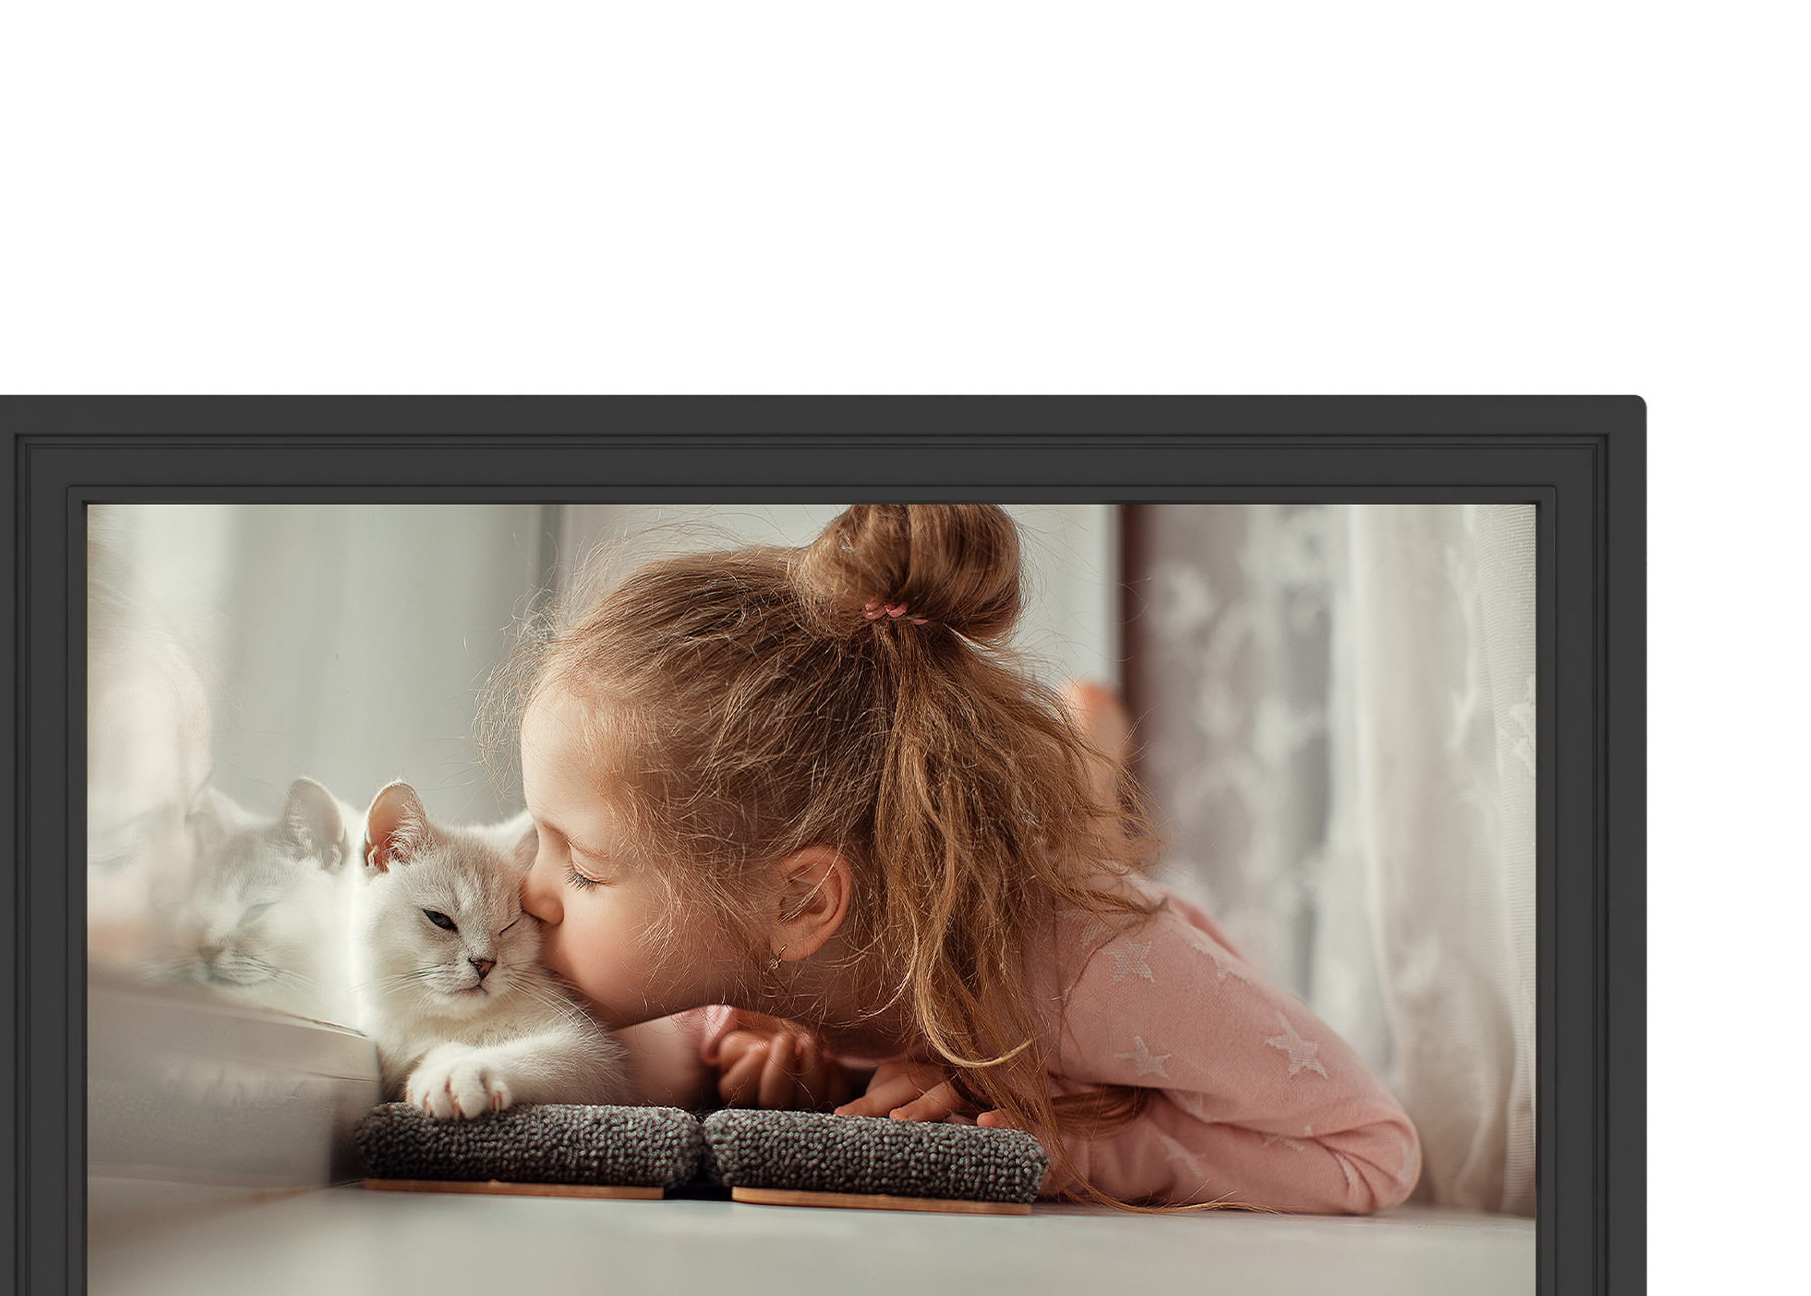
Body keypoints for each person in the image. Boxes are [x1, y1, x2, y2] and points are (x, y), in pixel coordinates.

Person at [512, 504, 1419, 1212]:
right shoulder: (744, 934)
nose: (529, 893)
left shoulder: (1094, 967)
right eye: (534, 839)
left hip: (1082, 952)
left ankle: (1083, 769)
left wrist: (1044, 1138)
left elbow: (1371, 1148)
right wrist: (784, 1045)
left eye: (582, 869)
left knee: (1081, 867)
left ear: (799, 904)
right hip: (909, 920)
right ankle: (1076, 768)